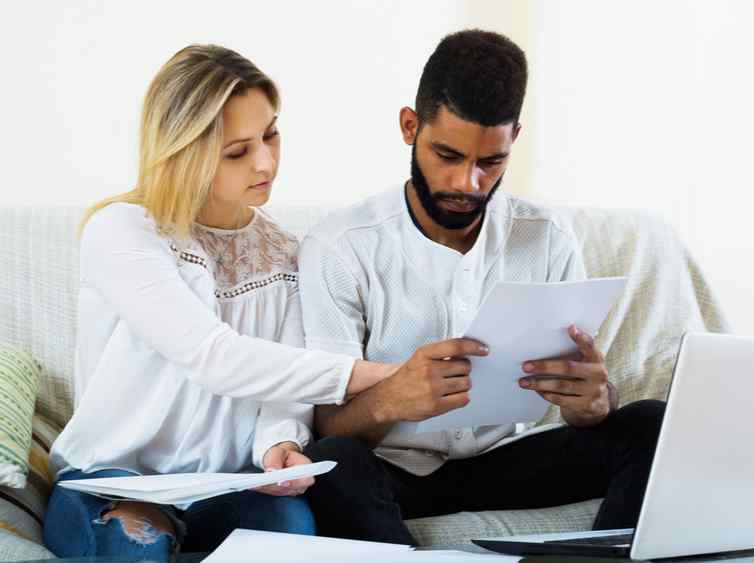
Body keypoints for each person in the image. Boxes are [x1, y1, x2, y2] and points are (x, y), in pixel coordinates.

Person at [43, 44, 486, 559]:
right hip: (114, 482)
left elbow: (285, 388)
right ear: (183, 151)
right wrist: (388, 375)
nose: (266, 161)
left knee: (292, 531)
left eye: (271, 134)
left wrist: (282, 445)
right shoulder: (123, 231)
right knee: (137, 548)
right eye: (237, 151)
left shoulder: (285, 252)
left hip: (224, 486)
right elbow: (216, 358)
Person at [299, 29, 666, 544]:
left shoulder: (549, 238)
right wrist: (392, 400)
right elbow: (326, 424)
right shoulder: (340, 247)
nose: (467, 183)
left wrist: (593, 403)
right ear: (410, 127)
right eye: (447, 156)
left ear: (514, 138)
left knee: (650, 423)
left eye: (490, 162)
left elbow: (583, 390)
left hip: (508, 460)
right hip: (395, 470)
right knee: (330, 461)